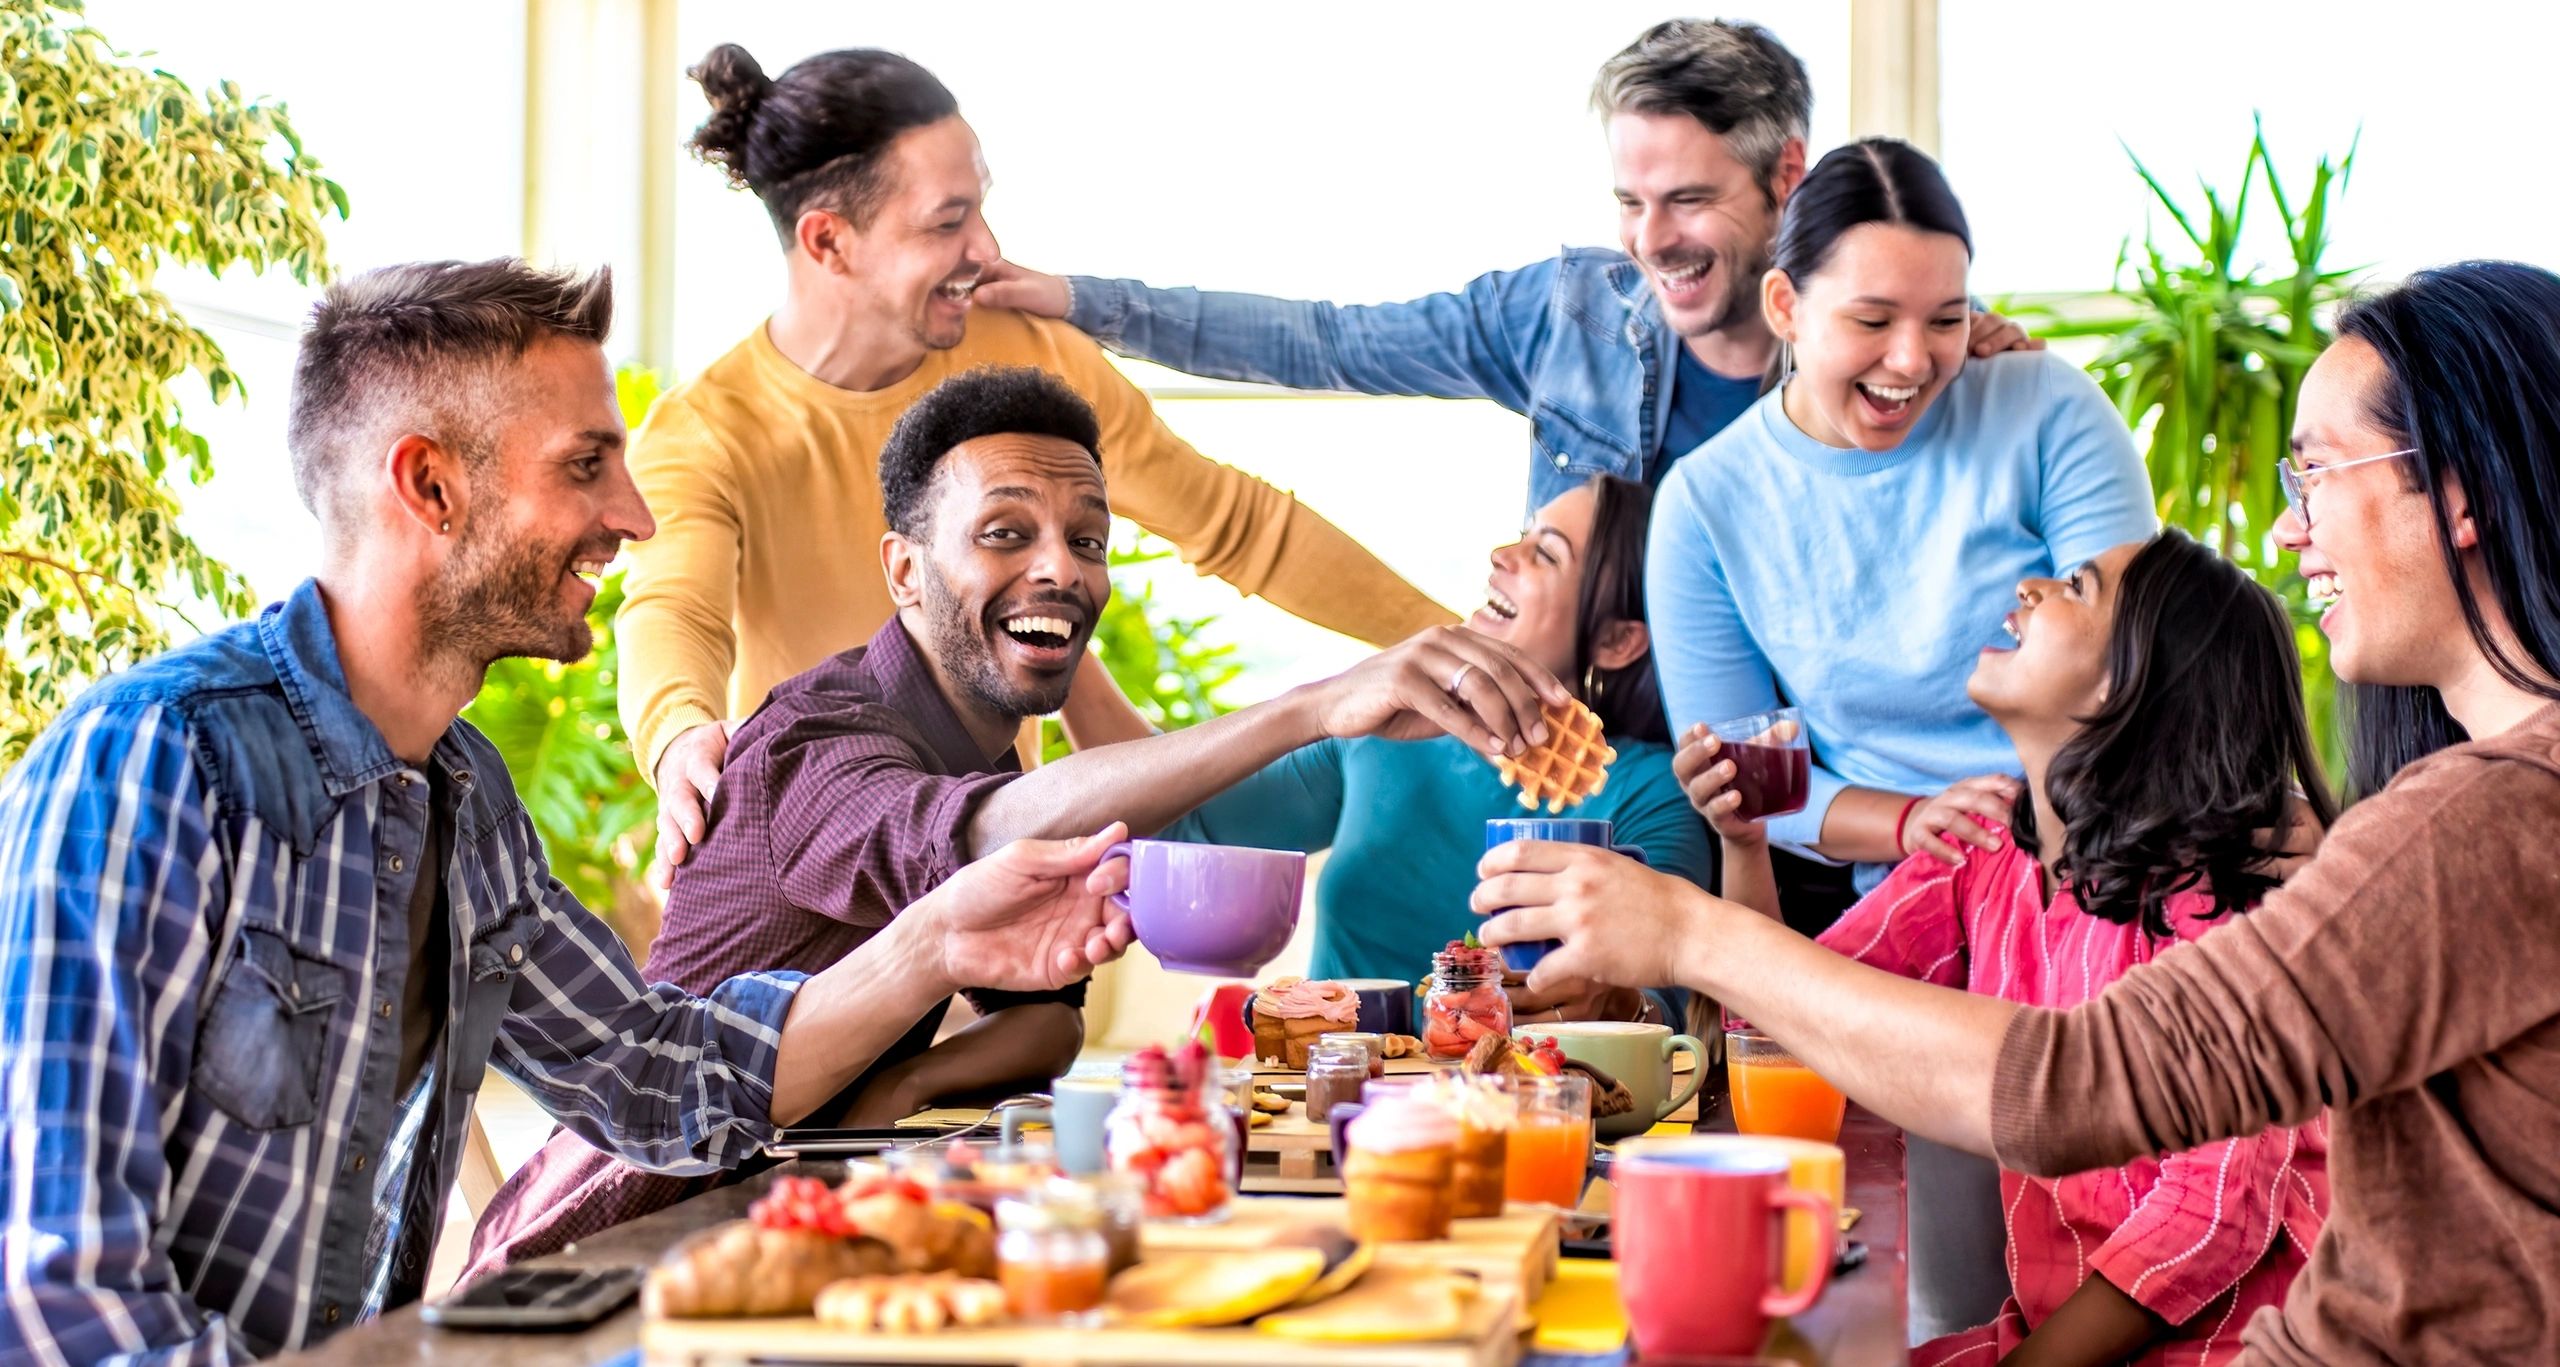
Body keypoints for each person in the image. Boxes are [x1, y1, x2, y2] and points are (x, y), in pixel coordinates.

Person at [0, 261, 1139, 1362]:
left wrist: (939, 938)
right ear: (430, 485)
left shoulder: (466, 797)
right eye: (587, 465)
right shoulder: (154, 762)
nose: (633, 516)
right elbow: (59, 1295)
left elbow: (655, 1072)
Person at [1473, 260, 2560, 1365]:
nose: (2286, 530)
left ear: (2459, 493)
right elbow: (1828, 1008)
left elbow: (2091, 1089)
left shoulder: (2483, 818)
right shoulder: (2429, 823)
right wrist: (1730, 878)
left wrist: (1689, 931)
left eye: (2314, 472)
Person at [466, 364, 1570, 1277]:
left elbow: (1044, 1019)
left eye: (1086, 540)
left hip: (803, 1215)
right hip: (620, 1248)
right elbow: (977, 834)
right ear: (903, 569)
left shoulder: (989, 738)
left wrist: (899, 1085)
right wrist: (1315, 705)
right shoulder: (820, 741)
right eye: (1004, 531)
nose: (1060, 567)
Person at [631, 43, 1458, 882]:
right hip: (821, 889)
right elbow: (675, 609)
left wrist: (1465, 647)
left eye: (981, 209)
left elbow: (1237, 526)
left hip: (1005, 871)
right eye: (947, 221)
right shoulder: (711, 429)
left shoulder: (1025, 351)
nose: (987, 247)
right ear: (830, 242)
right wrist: (678, 737)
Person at [1699, 529, 2331, 1366]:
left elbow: (2212, 1216)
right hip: (2040, 1338)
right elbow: (1775, 1020)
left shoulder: (2228, 902)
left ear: (2131, 682)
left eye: (2077, 584)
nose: (2031, 585)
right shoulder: (1985, 856)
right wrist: (1743, 844)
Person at [978, 18, 2037, 516]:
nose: (1651, 242)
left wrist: (1972, 357)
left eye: (1689, 201)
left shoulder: (1903, 344)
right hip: (1612, 768)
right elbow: (1325, 339)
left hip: (1817, 787)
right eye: (1628, 203)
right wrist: (1076, 302)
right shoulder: (1563, 316)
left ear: (1787, 176)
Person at [1648, 136, 2156, 912]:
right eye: (1873, 320)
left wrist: (2038, 826)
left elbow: (2139, 662)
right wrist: (1916, 821)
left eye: (1946, 319)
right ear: (1786, 306)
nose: (1913, 360)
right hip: (1900, 893)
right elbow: (1751, 783)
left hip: (2099, 845)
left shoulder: (2047, 408)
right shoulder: (1704, 503)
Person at [1085, 475, 1708, 1024]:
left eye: (1544, 552)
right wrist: (1061, 652)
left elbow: (1666, 1012)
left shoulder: (1647, 793)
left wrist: (1616, 1000)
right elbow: (1167, 821)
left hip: (1528, 1119)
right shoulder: (1381, 736)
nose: (1501, 555)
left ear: (1620, 640)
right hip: (1332, 1108)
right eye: (1522, 534)